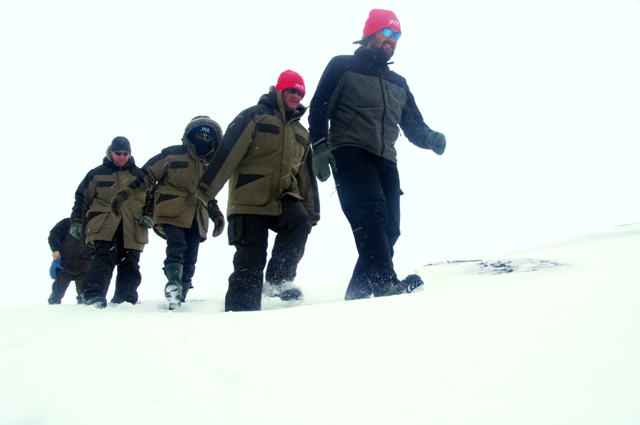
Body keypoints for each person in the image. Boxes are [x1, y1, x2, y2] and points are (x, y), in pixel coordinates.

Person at [308, 9, 447, 300]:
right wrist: (319, 148)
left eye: (397, 36)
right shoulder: (343, 66)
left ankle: (358, 294)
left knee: (390, 229)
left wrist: (430, 138)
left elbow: (413, 124)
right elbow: (320, 105)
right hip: (350, 152)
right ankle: (385, 283)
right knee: (372, 217)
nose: (393, 40)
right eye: (388, 32)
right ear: (371, 33)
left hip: (386, 160)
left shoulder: (398, 82)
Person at [196, 70, 320, 312]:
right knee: (250, 261)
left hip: (284, 197)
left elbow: (306, 176)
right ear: (279, 90)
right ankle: (240, 312)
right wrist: (206, 190)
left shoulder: (301, 133)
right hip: (249, 199)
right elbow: (228, 152)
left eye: (300, 92)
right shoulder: (254, 116)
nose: (296, 95)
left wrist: (312, 212)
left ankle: (278, 279)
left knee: (299, 221)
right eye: (292, 90)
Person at [111, 116, 225, 310]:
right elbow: (146, 176)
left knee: (191, 258)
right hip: (171, 212)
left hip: (197, 217)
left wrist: (216, 215)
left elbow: (209, 194)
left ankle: (179, 295)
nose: (203, 139)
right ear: (190, 135)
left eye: (208, 136)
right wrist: (124, 194)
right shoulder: (171, 155)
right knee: (177, 245)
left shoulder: (210, 165)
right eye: (200, 134)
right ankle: (173, 281)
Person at [70, 136, 154, 309]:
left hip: (133, 226)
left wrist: (150, 215)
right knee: (103, 260)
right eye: (118, 153)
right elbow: (81, 199)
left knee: (130, 262)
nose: (121, 157)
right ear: (111, 152)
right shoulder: (96, 174)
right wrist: (76, 221)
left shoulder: (141, 176)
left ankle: (125, 298)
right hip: (104, 226)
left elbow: (153, 199)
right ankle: (94, 296)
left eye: (125, 153)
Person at [47, 217, 93, 304]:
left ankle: (84, 314)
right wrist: (55, 249)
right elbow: (53, 235)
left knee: (84, 296)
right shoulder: (67, 223)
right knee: (56, 294)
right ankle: (52, 311)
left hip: (85, 266)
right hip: (65, 264)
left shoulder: (94, 226)